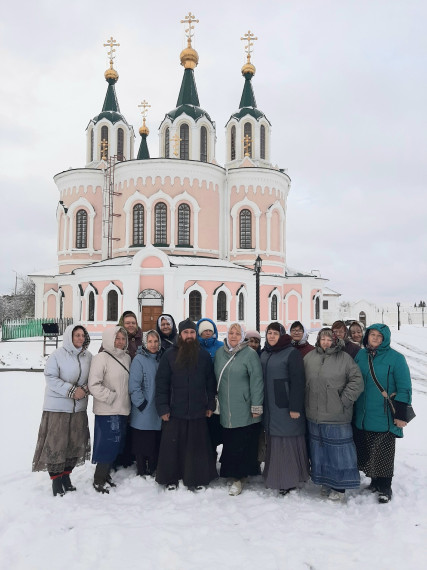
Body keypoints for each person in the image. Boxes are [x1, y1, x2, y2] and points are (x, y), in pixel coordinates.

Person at [155, 319, 217, 491]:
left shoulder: (203, 355)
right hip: (175, 410)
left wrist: (210, 404)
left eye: (192, 332)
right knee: (172, 448)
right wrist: (163, 408)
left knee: (195, 448)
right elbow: (161, 384)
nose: (189, 336)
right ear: (180, 335)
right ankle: (171, 479)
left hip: (198, 410)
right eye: (185, 332)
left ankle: (195, 478)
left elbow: (210, 383)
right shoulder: (169, 355)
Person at [353, 324, 412, 503]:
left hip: (385, 414)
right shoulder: (361, 355)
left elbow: (404, 387)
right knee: (368, 448)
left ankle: (385, 487)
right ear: (367, 336)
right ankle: (374, 481)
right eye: (373, 335)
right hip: (363, 413)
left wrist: (401, 415)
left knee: (384, 451)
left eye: (380, 336)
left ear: (385, 338)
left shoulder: (396, 358)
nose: (376, 338)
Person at [304, 328, 363, 501]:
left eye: (329, 339)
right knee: (320, 452)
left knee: (339, 452)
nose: (326, 342)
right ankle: (325, 482)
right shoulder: (309, 358)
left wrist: (344, 400)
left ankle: (340, 486)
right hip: (314, 415)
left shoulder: (344, 359)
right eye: (323, 339)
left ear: (335, 341)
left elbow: (357, 380)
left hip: (337, 415)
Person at [33, 324, 92, 496]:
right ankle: (56, 481)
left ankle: (66, 476)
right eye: (77, 335)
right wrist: (72, 391)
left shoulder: (88, 356)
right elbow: (50, 377)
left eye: (82, 335)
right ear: (69, 337)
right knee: (57, 444)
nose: (80, 338)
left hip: (78, 408)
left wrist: (85, 390)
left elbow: (94, 377)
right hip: (58, 408)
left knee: (74, 444)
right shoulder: (57, 356)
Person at [214, 323, 264, 496]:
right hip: (226, 407)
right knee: (229, 441)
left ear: (242, 336)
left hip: (243, 406)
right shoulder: (221, 353)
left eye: (237, 333)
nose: (233, 336)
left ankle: (239, 477)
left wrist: (256, 406)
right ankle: (232, 472)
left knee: (241, 442)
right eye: (230, 333)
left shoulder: (249, 354)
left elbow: (256, 381)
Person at [261, 322, 309, 495]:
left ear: (281, 335)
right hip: (270, 405)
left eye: (275, 333)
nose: (272, 336)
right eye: (269, 333)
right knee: (274, 440)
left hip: (286, 405)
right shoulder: (265, 352)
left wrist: (295, 407)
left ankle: (288, 479)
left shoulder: (291, 353)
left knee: (286, 441)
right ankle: (275, 474)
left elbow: (298, 381)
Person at [89, 326, 131, 493]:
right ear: (109, 339)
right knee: (106, 444)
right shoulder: (101, 358)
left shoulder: (126, 358)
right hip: (107, 410)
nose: (120, 342)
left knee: (115, 445)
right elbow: (93, 384)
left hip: (122, 409)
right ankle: (99, 479)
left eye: (123, 339)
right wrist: (110, 397)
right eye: (117, 338)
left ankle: (105, 475)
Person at [129, 330, 162, 477]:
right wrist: (141, 404)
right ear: (144, 343)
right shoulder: (139, 359)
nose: (153, 345)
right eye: (150, 341)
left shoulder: (161, 358)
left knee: (154, 441)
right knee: (142, 442)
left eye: (156, 341)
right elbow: (134, 386)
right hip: (143, 408)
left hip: (157, 408)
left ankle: (153, 468)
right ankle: (142, 470)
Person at [197, 318, 224, 457]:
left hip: (218, 391)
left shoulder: (221, 346)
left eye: (209, 330)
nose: (207, 333)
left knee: (217, 429)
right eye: (204, 331)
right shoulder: (196, 347)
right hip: (201, 392)